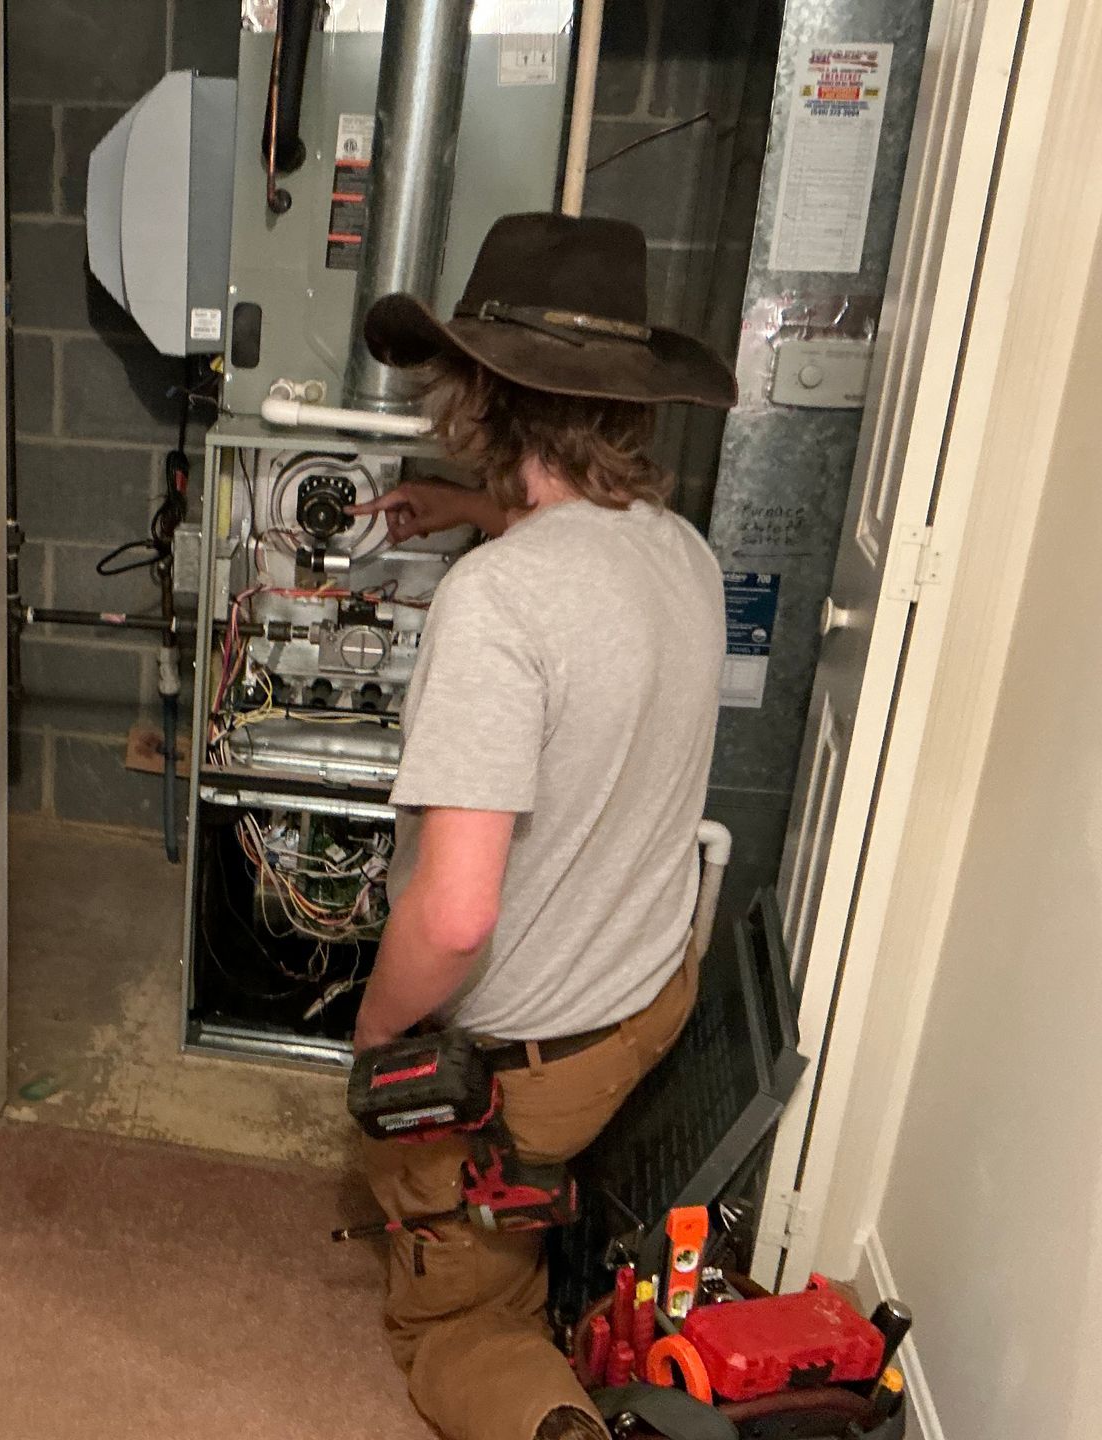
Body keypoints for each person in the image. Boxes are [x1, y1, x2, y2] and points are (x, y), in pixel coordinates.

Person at [346, 212, 737, 1440]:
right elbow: (570, 561)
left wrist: (377, 1029)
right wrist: (468, 505)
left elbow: (455, 915)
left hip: (533, 1057)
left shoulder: (498, 603)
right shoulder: (682, 554)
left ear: (482, 391)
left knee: (458, 1319)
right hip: (648, 991)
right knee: (516, 1203)